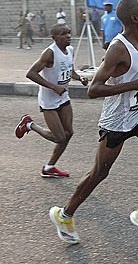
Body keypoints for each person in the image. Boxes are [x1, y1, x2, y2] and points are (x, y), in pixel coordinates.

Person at [48, 0, 138, 244]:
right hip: (116, 121)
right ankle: (64, 214)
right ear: (134, 19)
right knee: (99, 173)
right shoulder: (118, 47)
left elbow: (130, 79)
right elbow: (94, 89)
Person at [15, 23, 88, 177]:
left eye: (68, 33)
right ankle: (29, 124)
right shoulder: (49, 53)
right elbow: (31, 73)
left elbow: (70, 71)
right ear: (54, 37)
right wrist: (53, 87)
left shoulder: (70, 50)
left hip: (63, 97)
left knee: (68, 133)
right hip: (48, 101)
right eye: (63, 33)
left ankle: (49, 168)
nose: (68, 36)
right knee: (60, 137)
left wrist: (79, 77)